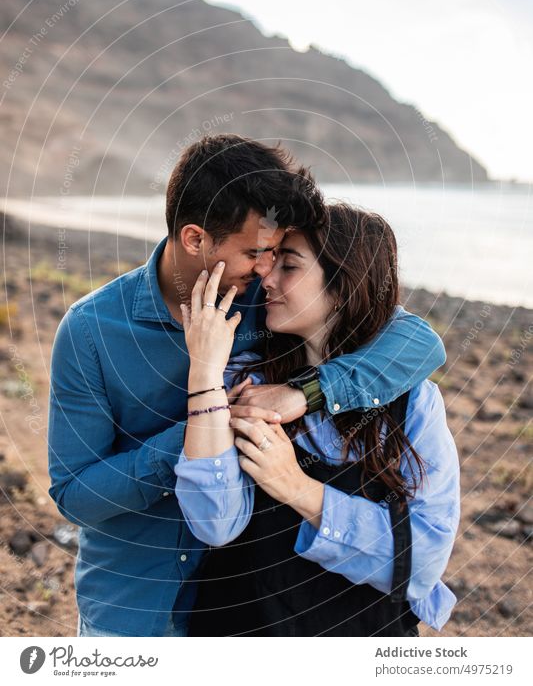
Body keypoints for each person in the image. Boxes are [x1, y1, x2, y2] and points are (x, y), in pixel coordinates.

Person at [48, 134, 446, 637]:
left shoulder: (268, 299)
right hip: (133, 602)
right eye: (255, 252)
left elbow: (417, 340)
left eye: (277, 254)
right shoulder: (91, 330)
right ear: (195, 239)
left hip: (241, 599)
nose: (265, 269)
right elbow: (75, 496)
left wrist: (306, 393)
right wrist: (204, 420)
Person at [176, 203, 460, 636]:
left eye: (288, 266)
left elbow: (420, 565)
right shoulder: (244, 382)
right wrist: (204, 373)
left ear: (344, 285)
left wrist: (297, 487)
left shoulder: (414, 403)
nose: (266, 279)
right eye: (270, 263)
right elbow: (214, 522)